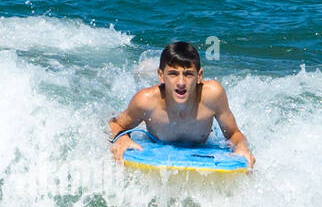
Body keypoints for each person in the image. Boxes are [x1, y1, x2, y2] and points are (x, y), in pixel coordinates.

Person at [108, 41, 255, 168]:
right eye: (172, 74)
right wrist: (122, 140)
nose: (181, 83)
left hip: (200, 146)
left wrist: (242, 147)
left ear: (199, 76)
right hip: (155, 142)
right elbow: (115, 124)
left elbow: (234, 133)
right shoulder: (146, 101)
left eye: (188, 74)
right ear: (161, 75)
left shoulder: (213, 95)